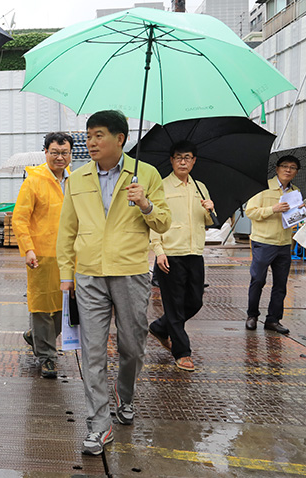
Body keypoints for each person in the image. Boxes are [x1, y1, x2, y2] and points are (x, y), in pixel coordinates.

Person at [56, 110, 171, 456]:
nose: (90, 142)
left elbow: (164, 223)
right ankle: (99, 425)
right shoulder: (77, 179)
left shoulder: (146, 175)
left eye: (99, 135)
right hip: (89, 273)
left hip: (131, 271)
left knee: (132, 345)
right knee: (91, 351)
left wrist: (146, 204)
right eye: (88, 136)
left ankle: (126, 393)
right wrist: (66, 274)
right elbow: (67, 230)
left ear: (120, 139)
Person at [148, 141, 215, 372]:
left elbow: (208, 222)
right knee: (174, 305)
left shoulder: (201, 187)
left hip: (195, 252)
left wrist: (210, 209)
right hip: (170, 253)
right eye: (178, 157)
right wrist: (158, 251)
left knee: (195, 301)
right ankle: (182, 352)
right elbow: (154, 222)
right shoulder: (162, 186)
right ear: (171, 160)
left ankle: (159, 327)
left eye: (187, 157)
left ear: (194, 161)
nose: (183, 161)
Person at [13, 131, 73, 379]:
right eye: (55, 152)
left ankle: (35, 337)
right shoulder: (33, 180)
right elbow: (20, 218)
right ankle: (47, 357)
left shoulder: (75, 181)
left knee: (63, 307)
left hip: (69, 256)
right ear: (46, 152)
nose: (60, 157)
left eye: (64, 153)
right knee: (41, 307)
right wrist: (28, 249)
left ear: (70, 154)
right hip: (40, 256)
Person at [244, 155, 302, 335]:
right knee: (258, 280)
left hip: (285, 243)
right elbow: (250, 212)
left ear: (296, 172)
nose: (288, 170)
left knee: (280, 284)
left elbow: (293, 221)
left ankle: (273, 320)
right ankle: (252, 315)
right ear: (277, 168)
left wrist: (300, 213)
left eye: (292, 168)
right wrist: (273, 209)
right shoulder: (262, 187)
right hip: (263, 242)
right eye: (285, 166)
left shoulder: (296, 191)